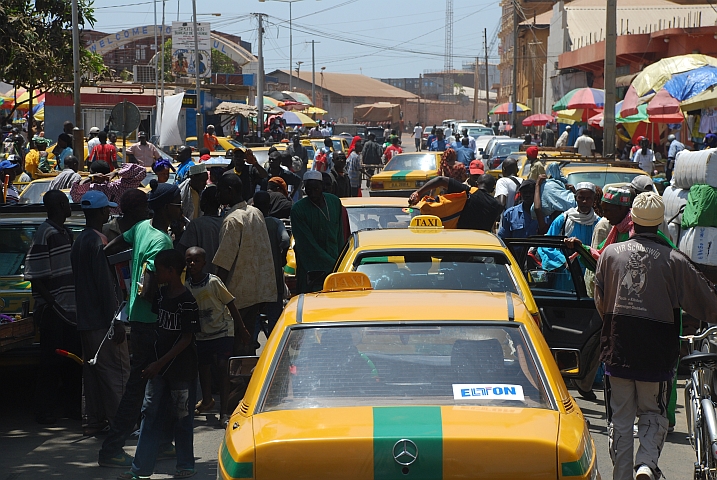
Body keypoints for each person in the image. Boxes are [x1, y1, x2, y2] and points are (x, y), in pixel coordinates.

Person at [595, 192, 717, 480]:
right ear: (660, 223)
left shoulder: (611, 254)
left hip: (618, 348)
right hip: (656, 353)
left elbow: (600, 301)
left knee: (621, 418)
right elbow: (705, 302)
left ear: (632, 220)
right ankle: (647, 464)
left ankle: (622, 474)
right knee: (653, 412)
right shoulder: (674, 259)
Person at [99, 181, 182, 468]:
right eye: (178, 203)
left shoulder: (143, 228)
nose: (181, 207)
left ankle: (159, 443)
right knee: (141, 387)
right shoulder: (161, 241)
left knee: (160, 384)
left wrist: (107, 261)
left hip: (138, 316)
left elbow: (115, 246)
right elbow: (152, 285)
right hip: (153, 320)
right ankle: (112, 448)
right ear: (166, 207)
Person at [126, 249, 200, 480]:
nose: (156, 273)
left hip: (181, 371)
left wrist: (159, 363)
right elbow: (159, 328)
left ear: (171, 271)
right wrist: (153, 363)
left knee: (182, 419)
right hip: (157, 370)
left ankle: (186, 465)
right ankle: (140, 470)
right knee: (149, 416)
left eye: (159, 270)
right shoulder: (160, 296)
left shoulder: (187, 301)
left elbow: (186, 339)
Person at [72, 191, 129, 436]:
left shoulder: (79, 241)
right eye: (106, 209)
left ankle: (94, 421)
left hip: (86, 319)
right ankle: (122, 425)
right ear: (99, 212)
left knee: (93, 374)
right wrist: (114, 321)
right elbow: (106, 285)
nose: (109, 212)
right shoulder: (99, 242)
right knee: (116, 371)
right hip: (102, 321)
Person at [25, 190, 81, 424]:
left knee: (72, 362)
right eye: (66, 203)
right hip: (55, 312)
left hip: (70, 312)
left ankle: (72, 408)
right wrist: (52, 303)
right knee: (49, 364)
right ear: (59, 204)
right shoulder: (45, 232)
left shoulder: (65, 232)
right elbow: (35, 276)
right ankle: (44, 411)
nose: (69, 206)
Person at [213, 173, 277, 354]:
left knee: (233, 347)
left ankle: (236, 381)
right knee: (247, 342)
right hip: (256, 294)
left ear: (230, 191)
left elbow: (224, 264)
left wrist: (215, 295)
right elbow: (265, 254)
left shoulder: (232, 220)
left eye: (220, 191)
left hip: (236, 298)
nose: (217, 195)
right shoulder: (256, 212)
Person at [185, 247, 247, 427]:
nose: (192, 264)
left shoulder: (213, 282)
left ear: (204, 263)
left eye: (196, 261)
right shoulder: (187, 286)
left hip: (222, 331)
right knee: (203, 369)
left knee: (222, 368)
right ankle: (206, 400)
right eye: (189, 261)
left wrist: (241, 328)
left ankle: (224, 412)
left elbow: (231, 304)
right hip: (202, 335)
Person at [291, 170, 344, 293]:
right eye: (309, 189)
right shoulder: (298, 209)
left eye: (316, 188)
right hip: (311, 268)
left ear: (322, 186)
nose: (313, 193)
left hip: (336, 263)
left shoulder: (334, 202)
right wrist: (332, 264)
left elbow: (340, 234)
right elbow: (307, 244)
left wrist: (342, 261)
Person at [252, 191, 290, 336]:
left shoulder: (251, 223)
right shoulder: (275, 222)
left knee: (254, 313)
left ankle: (253, 342)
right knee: (275, 313)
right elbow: (285, 240)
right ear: (269, 206)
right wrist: (282, 256)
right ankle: (274, 340)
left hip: (255, 276)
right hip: (273, 275)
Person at [409, 173, 502, 231]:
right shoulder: (496, 205)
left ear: (477, 184)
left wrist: (418, 193)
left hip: (459, 239)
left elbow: (440, 180)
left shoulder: (469, 191)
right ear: (492, 189)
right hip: (482, 245)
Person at [177, 185, 222, 274]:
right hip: (220, 277)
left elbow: (181, 252)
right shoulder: (225, 222)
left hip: (199, 278)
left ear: (204, 202)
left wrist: (178, 233)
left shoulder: (196, 225)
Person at [71, 162, 147, 214]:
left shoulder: (90, 190)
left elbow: (75, 195)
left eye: (90, 173)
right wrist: (118, 172)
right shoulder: (121, 185)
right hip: (119, 225)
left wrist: (91, 178)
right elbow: (141, 171)